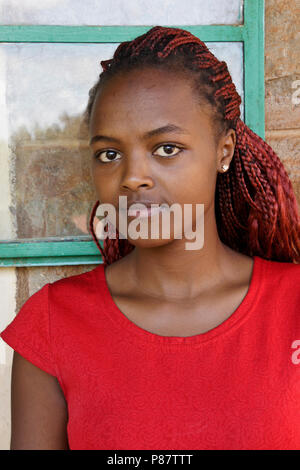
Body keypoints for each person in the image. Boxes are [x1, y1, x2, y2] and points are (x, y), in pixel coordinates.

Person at [1, 25, 300, 450]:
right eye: (110, 154)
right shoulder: (53, 326)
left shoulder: (293, 306)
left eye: (166, 148)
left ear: (225, 151)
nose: (133, 177)